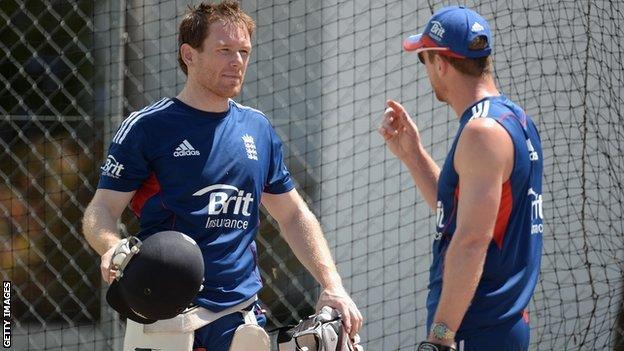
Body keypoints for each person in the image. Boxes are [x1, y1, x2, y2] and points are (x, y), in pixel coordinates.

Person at [82, 1, 362, 350]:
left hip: (241, 317)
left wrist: (331, 284)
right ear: (189, 54)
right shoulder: (148, 127)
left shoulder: (257, 128)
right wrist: (112, 246)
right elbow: (101, 210)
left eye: (244, 51)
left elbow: (292, 214)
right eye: (224, 50)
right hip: (169, 316)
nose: (237, 62)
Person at [379, 6, 543, 351]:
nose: (426, 72)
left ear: (441, 63)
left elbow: (471, 241)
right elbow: (459, 212)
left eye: (423, 60)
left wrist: (440, 338)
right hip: (499, 326)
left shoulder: (481, 132)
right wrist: (413, 156)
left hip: (475, 330)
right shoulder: (516, 119)